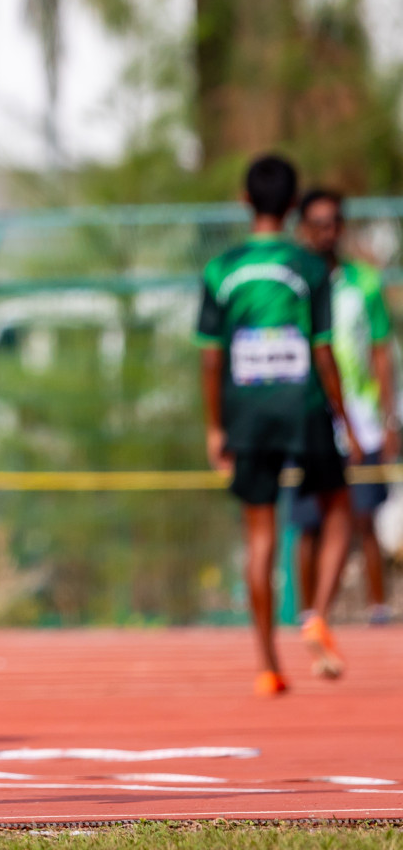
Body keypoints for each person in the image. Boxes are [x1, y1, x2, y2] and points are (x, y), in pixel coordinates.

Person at [196, 155, 362, 695]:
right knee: (338, 506)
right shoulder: (311, 268)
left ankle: (268, 664)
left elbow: (210, 359)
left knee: (259, 534)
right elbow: (323, 350)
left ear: (245, 201)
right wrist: (347, 421)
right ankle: (315, 612)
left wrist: (216, 428)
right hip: (306, 407)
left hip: (247, 412)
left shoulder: (221, 269)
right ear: (293, 207)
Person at [294, 189, 399, 626]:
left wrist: (388, 415)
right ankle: (310, 616)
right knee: (308, 524)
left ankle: (378, 609)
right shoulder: (293, 282)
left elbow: (380, 350)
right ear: (302, 228)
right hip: (309, 417)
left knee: (364, 516)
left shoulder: (364, 282)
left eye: (334, 222)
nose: (326, 232)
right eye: (317, 223)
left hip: (360, 416)